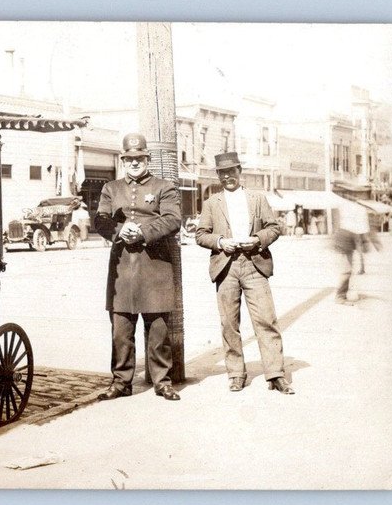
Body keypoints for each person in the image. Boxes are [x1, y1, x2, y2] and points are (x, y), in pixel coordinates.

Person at [195, 152, 294, 395]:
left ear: (240, 171)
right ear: (218, 175)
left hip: (254, 265)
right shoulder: (211, 203)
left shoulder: (257, 199)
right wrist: (219, 241)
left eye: (232, 171)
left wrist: (257, 239)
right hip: (226, 266)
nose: (228, 176)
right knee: (229, 323)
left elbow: (274, 227)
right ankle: (236, 373)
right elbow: (200, 234)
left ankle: (276, 374)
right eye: (223, 172)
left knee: (266, 320)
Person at [94, 133, 182, 401]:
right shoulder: (111, 188)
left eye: (139, 158)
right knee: (121, 330)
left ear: (147, 158)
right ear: (123, 160)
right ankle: (121, 382)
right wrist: (121, 230)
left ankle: (162, 381)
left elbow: (172, 220)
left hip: (154, 267)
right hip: (122, 268)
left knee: (157, 330)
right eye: (129, 158)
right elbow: (100, 220)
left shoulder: (164, 187)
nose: (134, 162)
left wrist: (142, 232)